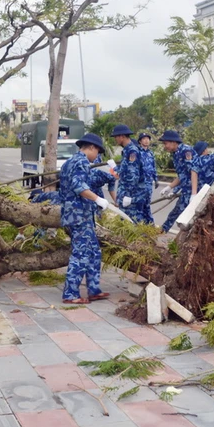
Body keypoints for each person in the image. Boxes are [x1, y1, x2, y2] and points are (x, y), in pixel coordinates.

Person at [59, 133, 115, 304]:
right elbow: (79, 187)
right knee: (81, 252)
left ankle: (93, 289)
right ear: (91, 147)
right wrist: (97, 199)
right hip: (78, 216)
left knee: (94, 252)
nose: (97, 156)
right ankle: (70, 293)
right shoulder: (81, 162)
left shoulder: (71, 162)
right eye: (97, 152)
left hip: (81, 215)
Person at [111, 124, 150, 223]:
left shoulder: (132, 151)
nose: (115, 139)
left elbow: (133, 175)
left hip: (132, 196)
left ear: (122, 136)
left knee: (132, 222)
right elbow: (125, 171)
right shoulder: (127, 151)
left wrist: (128, 195)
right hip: (126, 194)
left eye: (116, 137)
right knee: (125, 221)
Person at [158, 130, 193, 232]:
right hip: (186, 189)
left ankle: (165, 231)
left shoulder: (186, 151)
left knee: (185, 215)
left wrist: (193, 193)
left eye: (166, 143)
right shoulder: (176, 154)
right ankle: (163, 230)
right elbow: (182, 175)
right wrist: (170, 188)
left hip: (193, 189)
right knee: (176, 212)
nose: (165, 146)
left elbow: (192, 173)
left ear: (173, 142)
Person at [138, 133, 157, 224]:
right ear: (140, 141)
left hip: (149, 183)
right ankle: (141, 223)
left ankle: (148, 223)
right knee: (140, 203)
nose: (146, 140)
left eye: (148, 139)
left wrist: (156, 179)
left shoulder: (150, 153)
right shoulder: (138, 152)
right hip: (140, 183)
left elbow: (153, 167)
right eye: (144, 139)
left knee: (147, 203)